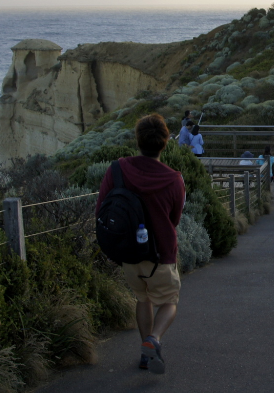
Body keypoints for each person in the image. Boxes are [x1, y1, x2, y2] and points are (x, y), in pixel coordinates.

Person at [95, 114, 185, 373]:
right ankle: (154, 339)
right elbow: (174, 219)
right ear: (164, 143)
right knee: (169, 301)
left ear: (138, 140)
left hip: (129, 253)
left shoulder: (117, 169)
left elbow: (101, 208)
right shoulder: (174, 179)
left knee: (142, 298)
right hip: (160, 255)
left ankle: (146, 355)